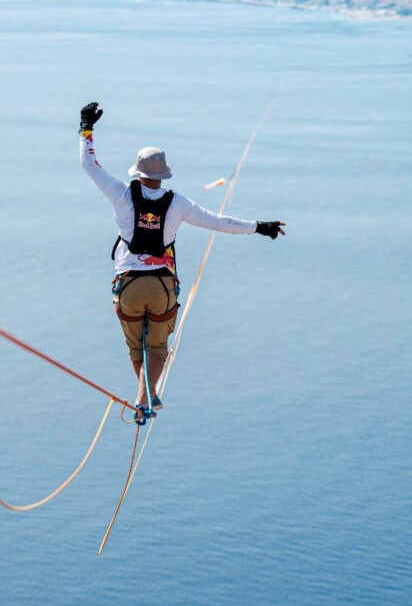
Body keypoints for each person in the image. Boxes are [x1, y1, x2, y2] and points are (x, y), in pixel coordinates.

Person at [79, 102, 285, 424]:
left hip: (129, 285)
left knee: (137, 348)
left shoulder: (120, 194)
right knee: (157, 346)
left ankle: (144, 395)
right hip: (162, 285)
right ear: (162, 175)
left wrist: (86, 129)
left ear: (137, 171)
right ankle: (146, 396)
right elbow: (219, 222)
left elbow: (90, 166)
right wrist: (260, 227)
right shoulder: (178, 204)